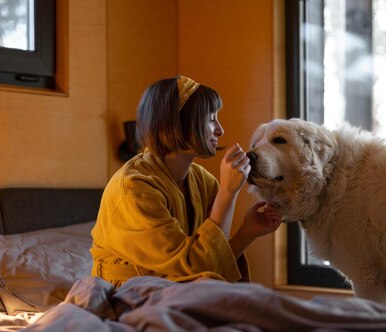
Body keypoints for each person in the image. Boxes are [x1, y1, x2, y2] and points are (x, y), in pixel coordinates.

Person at [91, 75, 282, 287]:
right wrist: (228, 193)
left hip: (175, 290)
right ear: (175, 123)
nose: (220, 130)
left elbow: (209, 263)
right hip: (129, 292)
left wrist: (248, 231)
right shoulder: (135, 189)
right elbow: (195, 267)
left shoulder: (203, 181)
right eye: (210, 119)